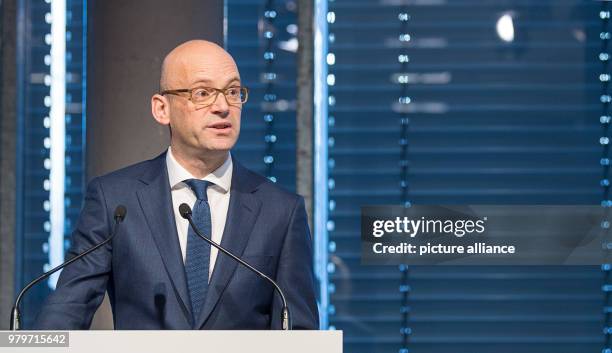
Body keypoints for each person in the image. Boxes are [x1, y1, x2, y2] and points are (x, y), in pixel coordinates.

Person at [34, 40, 319, 330]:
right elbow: (67, 310)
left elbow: (298, 331)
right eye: (203, 93)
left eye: (233, 92)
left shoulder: (281, 211)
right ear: (162, 109)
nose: (222, 107)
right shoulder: (115, 200)